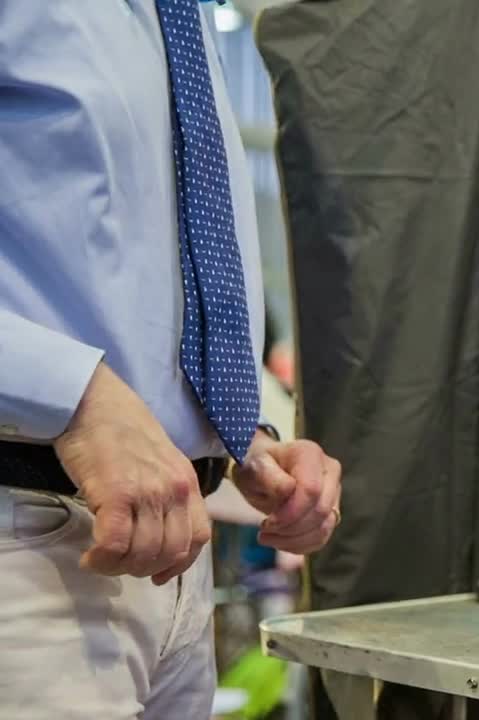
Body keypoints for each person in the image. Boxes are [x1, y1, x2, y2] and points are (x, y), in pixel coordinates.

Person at [0, 3, 342, 718]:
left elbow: (112, 270)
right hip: (26, 558)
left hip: (176, 572)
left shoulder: (173, 18)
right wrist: (74, 397)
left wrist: (235, 434)